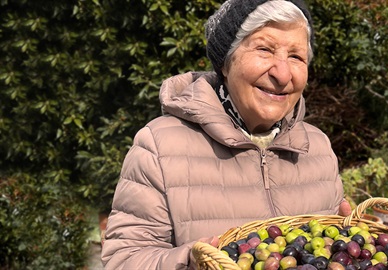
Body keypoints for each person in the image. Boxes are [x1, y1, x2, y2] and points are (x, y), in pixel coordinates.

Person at [101, 0, 351, 269]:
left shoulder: (317, 147)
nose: (282, 73)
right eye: (264, 50)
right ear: (225, 63)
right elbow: (124, 259)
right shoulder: (160, 146)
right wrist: (191, 262)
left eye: (296, 56)